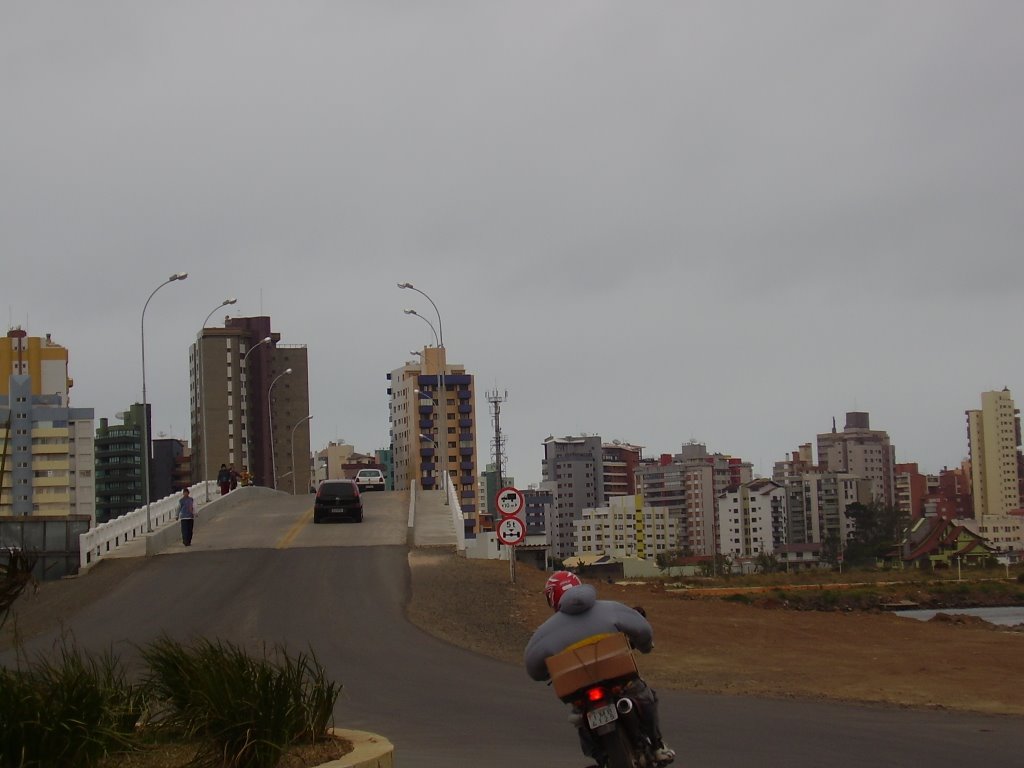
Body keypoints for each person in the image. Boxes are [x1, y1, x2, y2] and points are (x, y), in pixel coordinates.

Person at [524, 571, 674, 766]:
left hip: (581, 693)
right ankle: (656, 745)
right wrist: (645, 647)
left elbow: (533, 668)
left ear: (552, 598)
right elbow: (643, 629)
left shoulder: (545, 632)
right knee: (644, 695)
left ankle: (602, 759)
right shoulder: (610, 608)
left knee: (579, 717)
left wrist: (548, 671)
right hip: (620, 682)